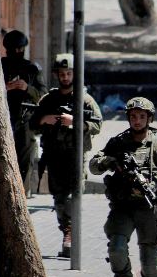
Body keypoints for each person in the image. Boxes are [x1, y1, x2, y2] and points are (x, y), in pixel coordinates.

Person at [89, 98, 157, 277]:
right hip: (122, 206)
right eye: (133, 116)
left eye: (141, 117)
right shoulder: (118, 142)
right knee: (117, 248)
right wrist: (110, 161)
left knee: (150, 256)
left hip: (148, 208)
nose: (137, 121)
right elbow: (94, 165)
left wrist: (151, 182)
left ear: (149, 118)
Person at [29, 53, 102, 258]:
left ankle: (71, 235)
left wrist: (75, 122)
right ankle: (66, 231)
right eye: (62, 74)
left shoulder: (84, 99)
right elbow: (33, 124)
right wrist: (45, 119)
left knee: (72, 196)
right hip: (54, 156)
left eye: (69, 73)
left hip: (75, 156)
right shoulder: (49, 99)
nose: (65, 77)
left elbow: (97, 124)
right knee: (59, 198)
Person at [1, 29, 45, 188]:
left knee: (25, 163)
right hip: (3, 119)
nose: (17, 52)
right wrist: (4, 88)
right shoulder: (0, 67)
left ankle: (22, 195)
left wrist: (27, 88)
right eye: (14, 50)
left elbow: (43, 96)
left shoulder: (32, 69)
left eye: (20, 49)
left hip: (25, 121)